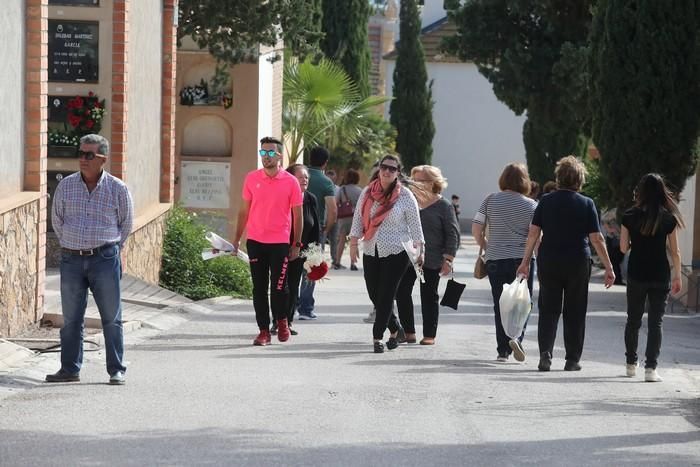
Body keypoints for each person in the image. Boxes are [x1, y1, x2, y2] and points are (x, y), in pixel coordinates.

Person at [46, 134, 133, 385]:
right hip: (71, 260)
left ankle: (116, 370)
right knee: (71, 318)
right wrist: (72, 244)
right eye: (80, 153)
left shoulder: (118, 188)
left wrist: (114, 249)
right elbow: (57, 220)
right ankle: (69, 369)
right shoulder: (66, 185)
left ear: (102, 159)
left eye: (89, 155)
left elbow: (125, 224)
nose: (82, 159)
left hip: (105, 258)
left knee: (111, 318)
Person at [517, 156, 615, 372]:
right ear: (580, 179)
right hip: (578, 261)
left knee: (548, 308)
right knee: (576, 309)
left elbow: (533, 233)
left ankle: (545, 355)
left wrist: (525, 262)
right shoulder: (587, 203)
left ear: (559, 178)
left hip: (549, 259)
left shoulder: (545, 201)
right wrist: (608, 267)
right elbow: (596, 238)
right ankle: (572, 359)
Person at [232, 136, 303, 346]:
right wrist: (236, 239)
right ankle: (263, 331)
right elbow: (243, 211)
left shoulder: (291, 182)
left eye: (271, 153)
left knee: (279, 287)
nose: (266, 157)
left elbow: (298, 216)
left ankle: (282, 320)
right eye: (263, 152)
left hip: (280, 242)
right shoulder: (251, 178)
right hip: (255, 241)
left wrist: (296, 244)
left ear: (279, 155)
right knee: (259, 288)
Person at [349, 154, 424, 353]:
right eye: (384, 167)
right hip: (371, 248)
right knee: (374, 293)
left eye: (392, 169)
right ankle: (397, 328)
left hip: (397, 251)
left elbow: (416, 225)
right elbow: (358, 218)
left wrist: (420, 250)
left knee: (386, 295)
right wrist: (353, 244)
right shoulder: (367, 192)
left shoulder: (405, 195)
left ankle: (377, 337)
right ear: (379, 168)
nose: (387, 171)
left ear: (398, 172)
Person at [620, 173, 684, 382]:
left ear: (642, 191)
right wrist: (677, 276)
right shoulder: (668, 219)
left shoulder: (629, 216)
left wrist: (635, 243)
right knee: (656, 323)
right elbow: (675, 251)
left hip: (637, 272)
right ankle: (650, 369)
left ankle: (630, 364)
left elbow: (622, 247)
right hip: (660, 274)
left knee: (633, 320)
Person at [472, 163, 537, 362]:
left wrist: (486, 245)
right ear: (524, 181)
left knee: (500, 303)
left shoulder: (490, 200)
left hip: (495, 258)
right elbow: (536, 236)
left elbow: (476, 227)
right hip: (522, 259)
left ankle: (503, 351)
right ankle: (516, 338)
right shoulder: (532, 205)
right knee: (522, 302)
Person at [396, 165, 460, 345]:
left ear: (433, 183)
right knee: (402, 292)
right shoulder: (408, 201)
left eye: (420, 180)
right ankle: (408, 332)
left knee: (429, 295)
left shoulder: (444, 206)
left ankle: (429, 335)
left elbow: (453, 233)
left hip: (432, 259)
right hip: (407, 257)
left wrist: (448, 258)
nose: (415, 184)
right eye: (413, 180)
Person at [271, 164, 320, 337]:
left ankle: (288, 322)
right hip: (280, 247)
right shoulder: (282, 196)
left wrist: (315, 252)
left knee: (292, 286)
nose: (305, 179)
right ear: (290, 179)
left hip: (302, 250)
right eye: (301, 176)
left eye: (306, 177)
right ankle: (276, 320)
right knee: (279, 285)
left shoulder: (310, 198)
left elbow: (315, 226)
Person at [298, 147, 337, 320]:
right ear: (325, 162)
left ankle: (290, 305)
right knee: (311, 268)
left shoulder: (298, 175)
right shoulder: (326, 182)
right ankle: (305, 308)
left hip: (294, 229)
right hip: (315, 231)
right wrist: (326, 230)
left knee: (293, 267)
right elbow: (333, 211)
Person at [334, 169, 363, 271]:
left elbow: (336, 202)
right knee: (353, 241)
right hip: (355, 218)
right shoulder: (359, 190)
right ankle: (353, 263)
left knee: (341, 240)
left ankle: (337, 262)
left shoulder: (342, 189)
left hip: (343, 218)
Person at [326, 169, 341, 268]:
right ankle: (319, 261)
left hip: (335, 218)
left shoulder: (338, 189)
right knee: (322, 240)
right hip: (324, 218)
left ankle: (334, 260)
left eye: (332, 178)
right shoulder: (323, 187)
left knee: (334, 240)